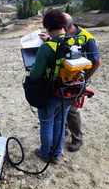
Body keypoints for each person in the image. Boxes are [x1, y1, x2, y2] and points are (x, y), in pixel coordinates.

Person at [39, 13, 102, 152]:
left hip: (75, 82)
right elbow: (61, 50)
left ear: (65, 28)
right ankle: (63, 134)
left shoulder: (86, 39)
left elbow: (97, 62)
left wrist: (83, 80)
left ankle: (77, 139)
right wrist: (49, 40)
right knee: (61, 115)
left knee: (72, 111)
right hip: (65, 80)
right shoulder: (68, 38)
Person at [30, 9, 74, 164]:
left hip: (50, 94)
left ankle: (45, 152)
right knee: (60, 122)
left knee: (47, 123)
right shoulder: (74, 41)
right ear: (64, 25)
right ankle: (57, 152)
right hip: (69, 92)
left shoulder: (46, 48)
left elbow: (35, 75)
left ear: (48, 27)